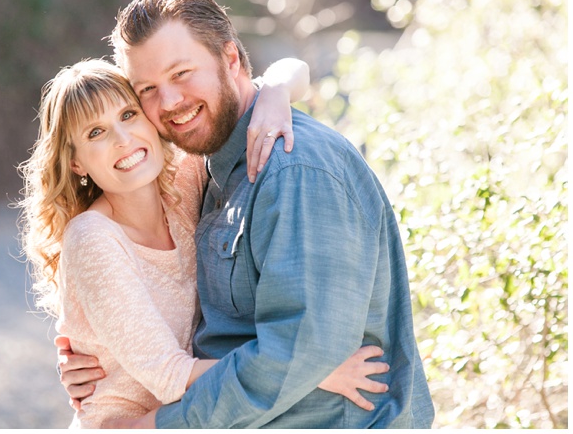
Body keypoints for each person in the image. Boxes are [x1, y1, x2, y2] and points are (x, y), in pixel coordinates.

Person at [58, 0, 435, 429]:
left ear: (231, 58)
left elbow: (298, 356)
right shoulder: (208, 169)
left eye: (181, 74)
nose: (170, 102)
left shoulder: (291, 173)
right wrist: (97, 357)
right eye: (148, 89)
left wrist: (151, 426)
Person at [20, 58, 391, 428]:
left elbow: (293, 70)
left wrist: (274, 97)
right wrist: (309, 373)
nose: (123, 139)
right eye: (95, 133)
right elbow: (171, 377)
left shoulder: (183, 183)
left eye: (129, 115)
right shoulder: (93, 239)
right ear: (76, 164)